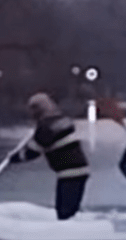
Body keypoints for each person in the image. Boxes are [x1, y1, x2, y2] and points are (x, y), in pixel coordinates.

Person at [9, 92, 90, 220]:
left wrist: (14, 158)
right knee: (69, 208)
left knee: (64, 212)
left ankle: (67, 234)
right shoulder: (62, 120)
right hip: (80, 169)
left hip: (69, 172)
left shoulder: (45, 128)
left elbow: (33, 152)